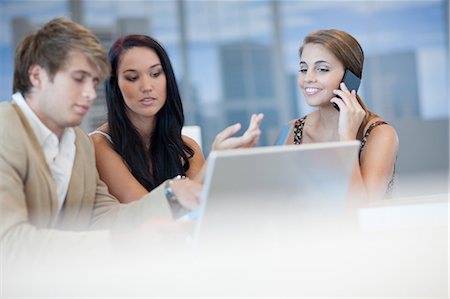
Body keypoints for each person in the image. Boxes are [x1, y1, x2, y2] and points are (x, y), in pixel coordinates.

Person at [0, 18, 260, 267]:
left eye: (93, 82)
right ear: (37, 77)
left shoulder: (76, 142)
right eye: (79, 79)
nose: (90, 93)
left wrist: (172, 194)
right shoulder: (6, 128)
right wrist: (119, 243)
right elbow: (8, 244)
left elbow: (106, 215)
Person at [90, 34, 264, 203]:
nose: (147, 86)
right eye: (133, 78)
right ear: (115, 86)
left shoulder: (186, 147)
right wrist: (213, 162)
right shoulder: (100, 145)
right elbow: (145, 212)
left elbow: (201, 209)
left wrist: (225, 164)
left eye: (155, 74)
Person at [285, 29, 398, 200]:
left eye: (322, 69)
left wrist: (347, 140)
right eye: (303, 69)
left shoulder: (380, 134)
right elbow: (278, 202)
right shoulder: (293, 130)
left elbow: (364, 210)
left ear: (350, 76)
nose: (308, 78)